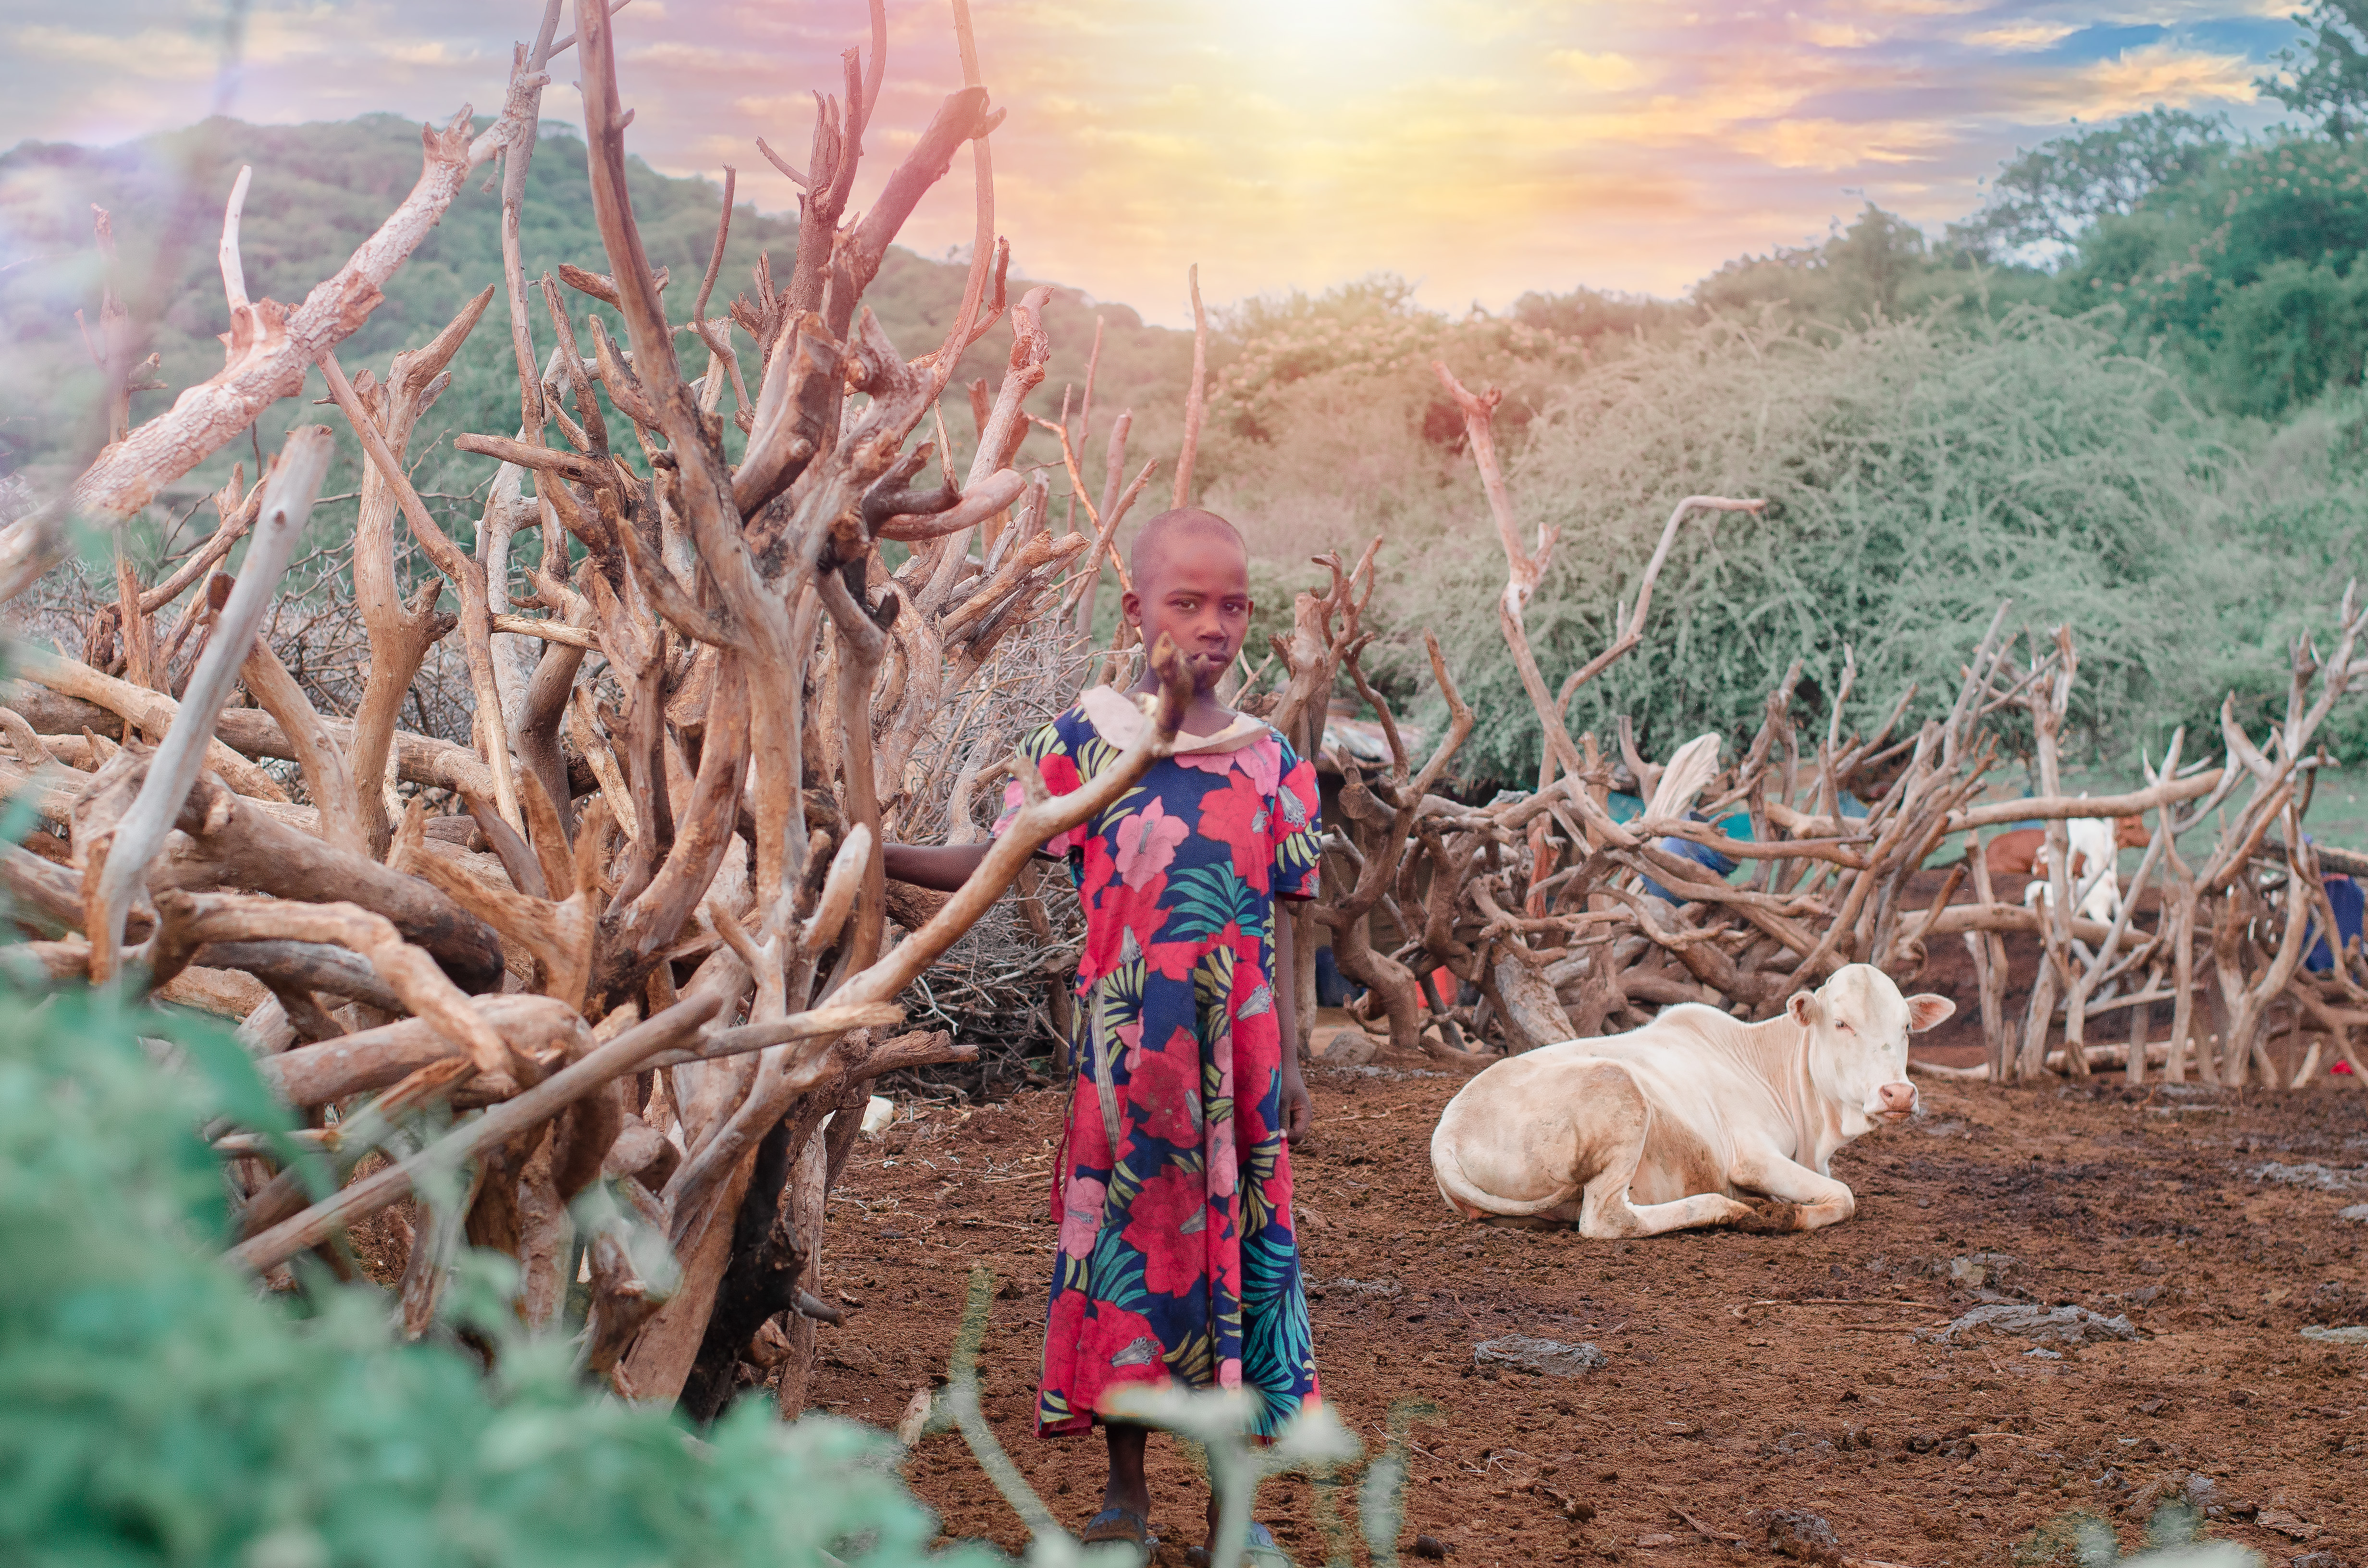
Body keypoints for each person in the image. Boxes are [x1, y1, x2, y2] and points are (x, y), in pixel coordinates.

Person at [885, 507, 1322, 1559]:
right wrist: (868, 846)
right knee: (1131, 1255)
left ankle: (1230, 1502)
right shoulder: (1086, 743)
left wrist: (1296, 1058)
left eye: (1232, 606)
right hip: (1126, 1058)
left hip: (1241, 1060)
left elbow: (1293, 921)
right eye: (1187, 603)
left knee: (1242, 1261)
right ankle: (1124, 1492)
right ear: (1136, 611)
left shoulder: (1271, 762)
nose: (1213, 625)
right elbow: (988, 861)